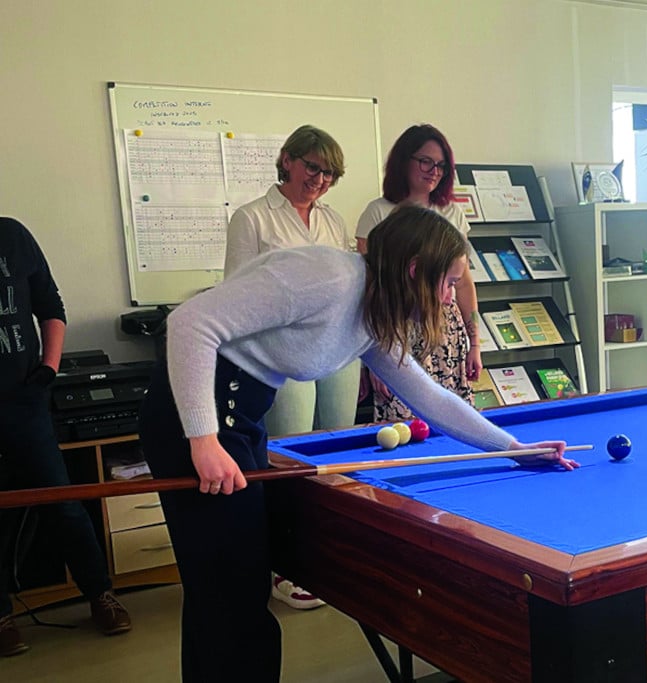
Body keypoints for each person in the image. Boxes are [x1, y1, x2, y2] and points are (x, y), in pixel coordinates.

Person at [139, 206, 577, 682]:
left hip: (238, 414)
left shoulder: (375, 309)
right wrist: (203, 440)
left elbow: (430, 398)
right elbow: (190, 323)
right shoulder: (325, 277)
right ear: (415, 270)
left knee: (230, 587)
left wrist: (513, 448)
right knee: (230, 590)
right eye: (449, 283)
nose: (452, 298)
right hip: (196, 413)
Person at [225, 124, 359, 609]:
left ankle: (330, 555)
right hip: (282, 355)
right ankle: (286, 565)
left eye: (330, 174)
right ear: (287, 160)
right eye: (313, 168)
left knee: (339, 456)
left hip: (336, 350)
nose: (320, 180)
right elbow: (238, 294)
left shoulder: (332, 220)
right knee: (290, 461)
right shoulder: (252, 217)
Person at [0, 217, 131, 657]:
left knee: (63, 502)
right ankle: (1, 617)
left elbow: (50, 307)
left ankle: (100, 594)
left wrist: (49, 369)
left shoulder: (12, 236)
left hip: (25, 399)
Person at [356, 124, 481, 422]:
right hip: (396, 331)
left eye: (441, 165)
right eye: (426, 162)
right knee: (403, 425)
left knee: (454, 418)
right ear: (404, 161)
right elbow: (370, 290)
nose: (434, 171)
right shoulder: (378, 211)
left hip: (446, 331)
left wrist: (475, 344)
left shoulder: (452, 213)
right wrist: (374, 360)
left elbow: (463, 283)